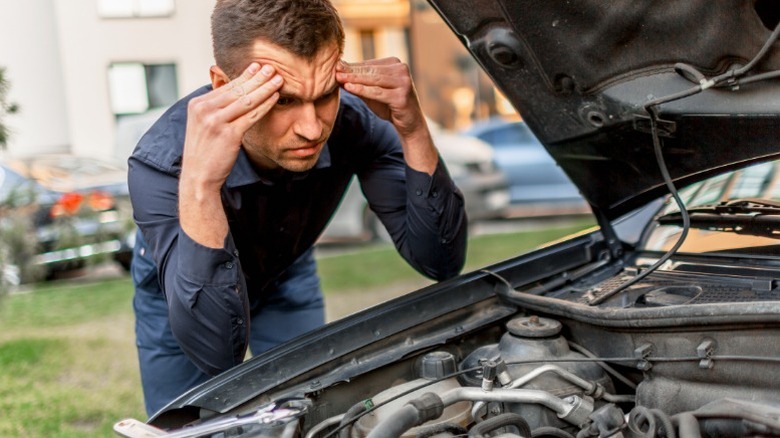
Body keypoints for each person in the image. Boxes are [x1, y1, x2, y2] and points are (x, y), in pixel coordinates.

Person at [128, 0, 468, 416]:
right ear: (222, 85)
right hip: (180, 284)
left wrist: (412, 128)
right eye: (284, 100)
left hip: (285, 271)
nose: (311, 128)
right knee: (187, 427)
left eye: (325, 95)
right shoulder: (161, 164)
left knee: (311, 411)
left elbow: (440, 261)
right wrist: (201, 184)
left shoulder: (355, 122)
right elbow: (217, 353)